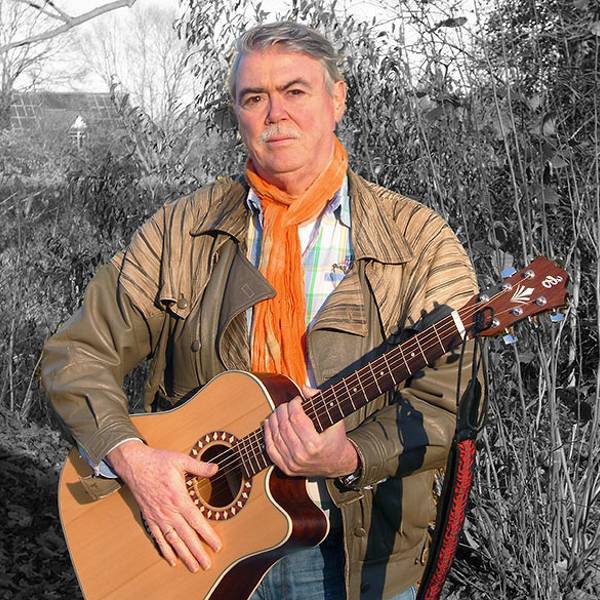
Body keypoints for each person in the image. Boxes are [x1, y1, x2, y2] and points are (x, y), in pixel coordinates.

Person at [42, 21, 479, 600]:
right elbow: (77, 353)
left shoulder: (420, 242)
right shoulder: (180, 232)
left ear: (337, 99)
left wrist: (349, 455)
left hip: (350, 555)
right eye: (254, 98)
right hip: (195, 544)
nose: (275, 113)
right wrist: (131, 459)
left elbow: (446, 406)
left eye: (295, 90)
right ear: (238, 114)